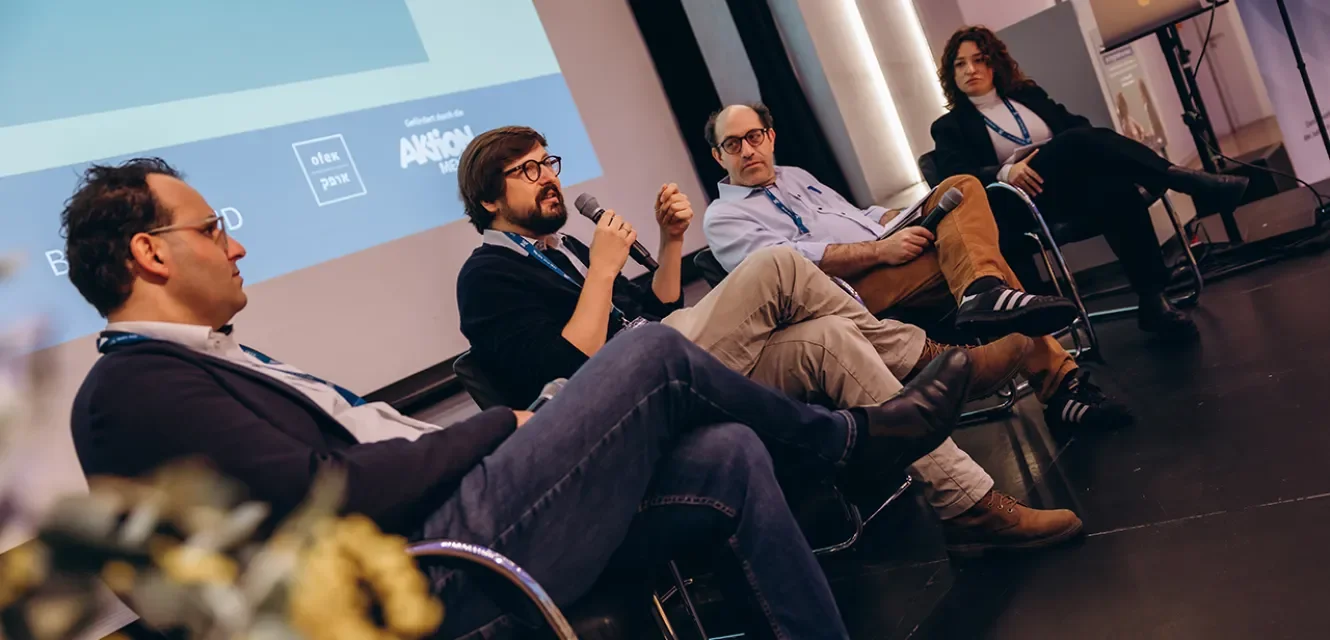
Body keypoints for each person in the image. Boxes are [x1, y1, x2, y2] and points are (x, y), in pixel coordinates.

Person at [62, 158, 972, 639]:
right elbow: (330, 488)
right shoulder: (133, 389)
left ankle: (852, 448)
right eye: (216, 229)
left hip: (460, 513)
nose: (236, 248)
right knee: (656, 351)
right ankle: (850, 443)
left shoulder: (208, 362)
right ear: (149, 253)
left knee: (728, 454)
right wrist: (506, 425)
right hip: (432, 559)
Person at [455, 126, 1083, 556]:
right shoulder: (486, 277)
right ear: (488, 196)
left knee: (831, 337)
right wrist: (601, 270)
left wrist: (669, 243)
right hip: (621, 413)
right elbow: (571, 369)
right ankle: (931, 360)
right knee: (777, 265)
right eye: (528, 170)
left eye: (548, 163)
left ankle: (968, 504)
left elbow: (652, 315)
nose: (548, 179)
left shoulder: (560, 254)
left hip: (671, 363)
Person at [702, 102, 1133, 431]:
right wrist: (880, 252)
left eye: (754, 136)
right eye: (733, 144)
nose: (748, 150)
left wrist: (898, 219)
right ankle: (1056, 379)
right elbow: (790, 267)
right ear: (719, 157)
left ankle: (984, 291)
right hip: (841, 296)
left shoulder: (795, 175)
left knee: (960, 187)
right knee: (969, 256)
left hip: (886, 255)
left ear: (771, 137)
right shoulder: (723, 218)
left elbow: (859, 216)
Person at [930, 26, 1250, 338]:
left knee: (1115, 190)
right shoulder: (949, 126)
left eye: (980, 59)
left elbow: (1081, 128)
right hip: (1023, 201)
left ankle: (1153, 299)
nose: (971, 69)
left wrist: (1063, 150)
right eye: (960, 63)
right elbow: (955, 176)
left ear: (994, 63)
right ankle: (1180, 178)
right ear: (951, 73)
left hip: (1073, 188)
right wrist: (1004, 172)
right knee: (1072, 143)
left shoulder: (1028, 96)